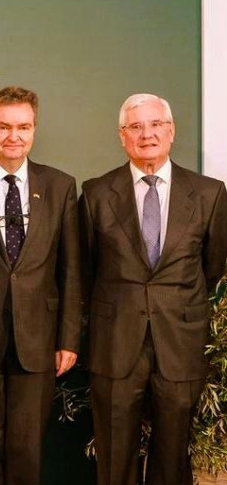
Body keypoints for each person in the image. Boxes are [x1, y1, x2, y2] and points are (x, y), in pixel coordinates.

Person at [80, 93, 227, 485]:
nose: (147, 134)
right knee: (114, 458)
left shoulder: (210, 194)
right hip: (115, 344)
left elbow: (210, 268)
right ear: (122, 136)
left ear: (172, 130)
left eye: (156, 124)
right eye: (136, 127)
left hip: (179, 342)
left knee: (173, 455)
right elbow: (86, 269)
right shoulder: (95, 193)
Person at [0, 86, 82, 485]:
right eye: (4, 126)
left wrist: (69, 337)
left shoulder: (60, 185)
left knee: (27, 452)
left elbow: (71, 268)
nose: (14, 136)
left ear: (34, 130)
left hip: (38, 340)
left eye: (23, 127)